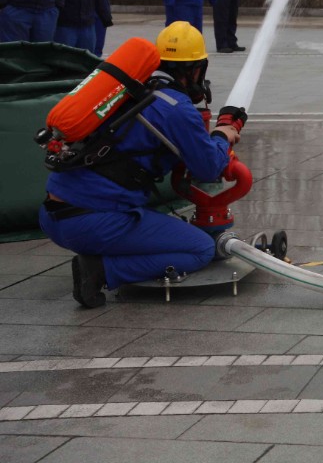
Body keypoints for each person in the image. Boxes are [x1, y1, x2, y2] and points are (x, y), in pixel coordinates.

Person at [39, 21, 239, 308]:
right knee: (200, 249)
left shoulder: (126, 92)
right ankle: (100, 271)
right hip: (92, 223)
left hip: (53, 214)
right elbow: (209, 168)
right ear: (196, 68)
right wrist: (223, 134)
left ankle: (104, 256)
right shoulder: (176, 109)